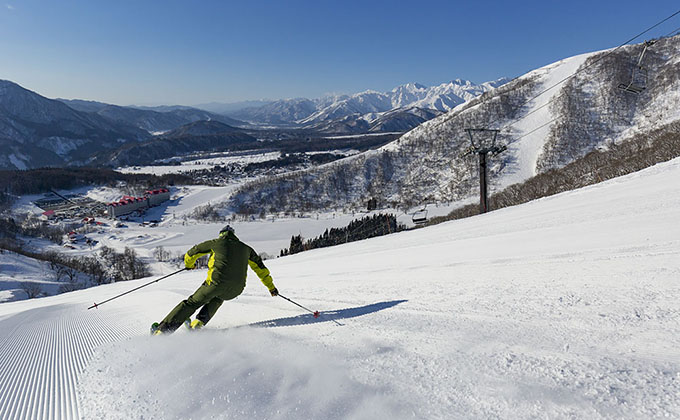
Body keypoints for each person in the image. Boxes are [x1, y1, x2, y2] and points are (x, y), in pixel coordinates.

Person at [152, 225, 278, 335]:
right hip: (237, 289)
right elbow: (261, 270)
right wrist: (271, 288)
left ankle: (162, 331)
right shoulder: (246, 249)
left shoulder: (215, 243)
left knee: (191, 303)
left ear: (221, 235)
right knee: (218, 297)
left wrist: (189, 265)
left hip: (215, 284)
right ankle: (197, 324)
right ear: (234, 236)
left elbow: (192, 252)